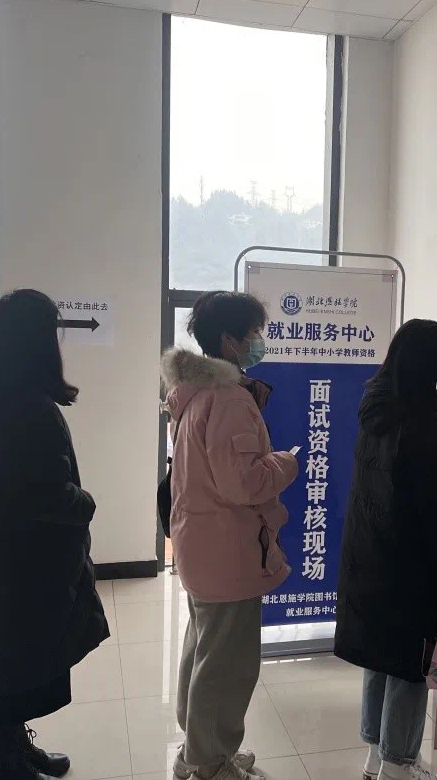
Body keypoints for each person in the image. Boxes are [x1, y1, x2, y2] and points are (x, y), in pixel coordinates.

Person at [160, 291, 298, 780]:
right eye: (253, 332)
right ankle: (209, 763)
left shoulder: (193, 394)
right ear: (229, 340)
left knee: (204, 650)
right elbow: (244, 484)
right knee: (228, 664)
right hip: (228, 547)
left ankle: (200, 750)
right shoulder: (229, 398)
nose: (259, 340)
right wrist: (285, 463)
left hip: (201, 541)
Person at [0, 290, 110, 780]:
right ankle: (7, 764)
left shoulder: (0, 395)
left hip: (11, 554)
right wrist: (87, 502)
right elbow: (48, 494)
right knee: (17, 660)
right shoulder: (29, 407)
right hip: (31, 561)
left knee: (13, 653)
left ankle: (12, 747)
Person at [335, 320, 437, 780]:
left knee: (381, 657)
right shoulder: (423, 422)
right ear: (431, 361)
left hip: (371, 555)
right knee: (412, 664)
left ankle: (375, 756)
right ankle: (398, 765)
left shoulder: (377, 407)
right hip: (411, 566)